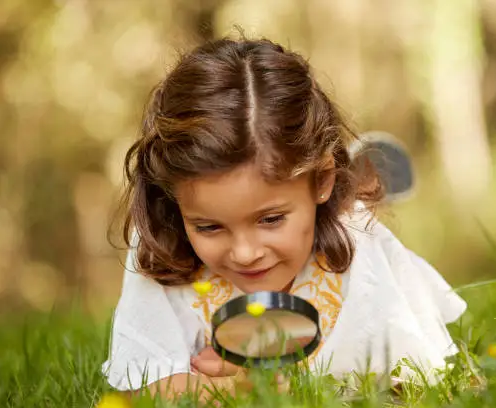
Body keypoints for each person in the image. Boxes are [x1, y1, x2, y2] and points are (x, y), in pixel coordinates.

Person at [101, 36, 467, 401]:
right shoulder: (162, 250)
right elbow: (141, 391)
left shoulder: (359, 244)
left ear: (322, 180)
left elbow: (416, 380)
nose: (244, 253)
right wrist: (239, 388)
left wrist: (246, 386)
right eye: (209, 227)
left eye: (271, 219)